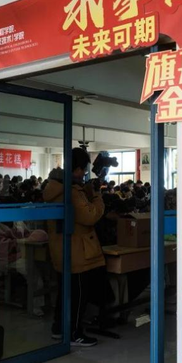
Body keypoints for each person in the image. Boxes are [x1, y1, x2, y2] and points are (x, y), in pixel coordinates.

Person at [43, 147, 106, 347]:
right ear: (78, 169)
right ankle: (74, 333)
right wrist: (97, 196)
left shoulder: (56, 187)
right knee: (78, 295)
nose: (85, 173)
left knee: (64, 293)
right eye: (84, 169)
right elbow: (89, 216)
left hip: (61, 248)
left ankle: (58, 328)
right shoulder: (71, 191)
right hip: (77, 250)